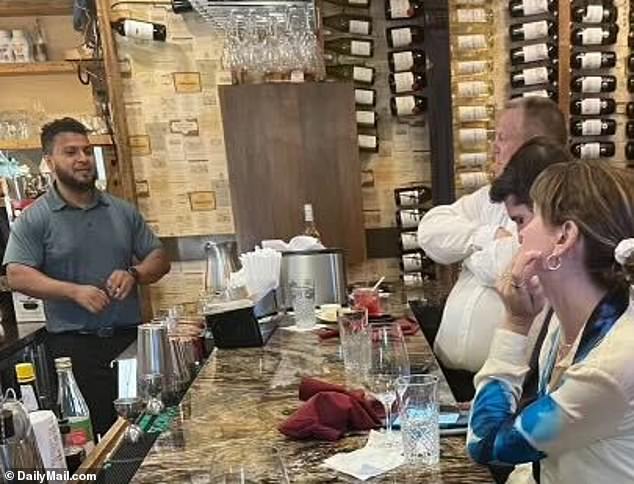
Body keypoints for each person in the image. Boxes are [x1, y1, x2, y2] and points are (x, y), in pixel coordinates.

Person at [467, 161, 634, 483]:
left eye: (529, 218)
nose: (521, 233)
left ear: (565, 236)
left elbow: (486, 444)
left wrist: (515, 325)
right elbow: (546, 458)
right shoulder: (566, 321)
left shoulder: (610, 367)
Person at [3, 117, 170, 438]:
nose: (82, 158)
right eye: (70, 152)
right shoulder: (35, 219)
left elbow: (159, 259)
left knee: (147, 430)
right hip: (74, 350)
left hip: (130, 343)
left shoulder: (122, 211)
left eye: (86, 150)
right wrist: (73, 292)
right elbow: (17, 275)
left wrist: (134, 273)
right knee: (96, 437)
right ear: (50, 162)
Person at [417, 97, 567, 396]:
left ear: (534, 145)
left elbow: (510, 268)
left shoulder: (561, 208)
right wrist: (485, 239)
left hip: (512, 386)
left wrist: (470, 255)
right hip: (453, 379)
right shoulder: (490, 196)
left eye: (502, 137)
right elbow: (430, 231)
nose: (493, 147)